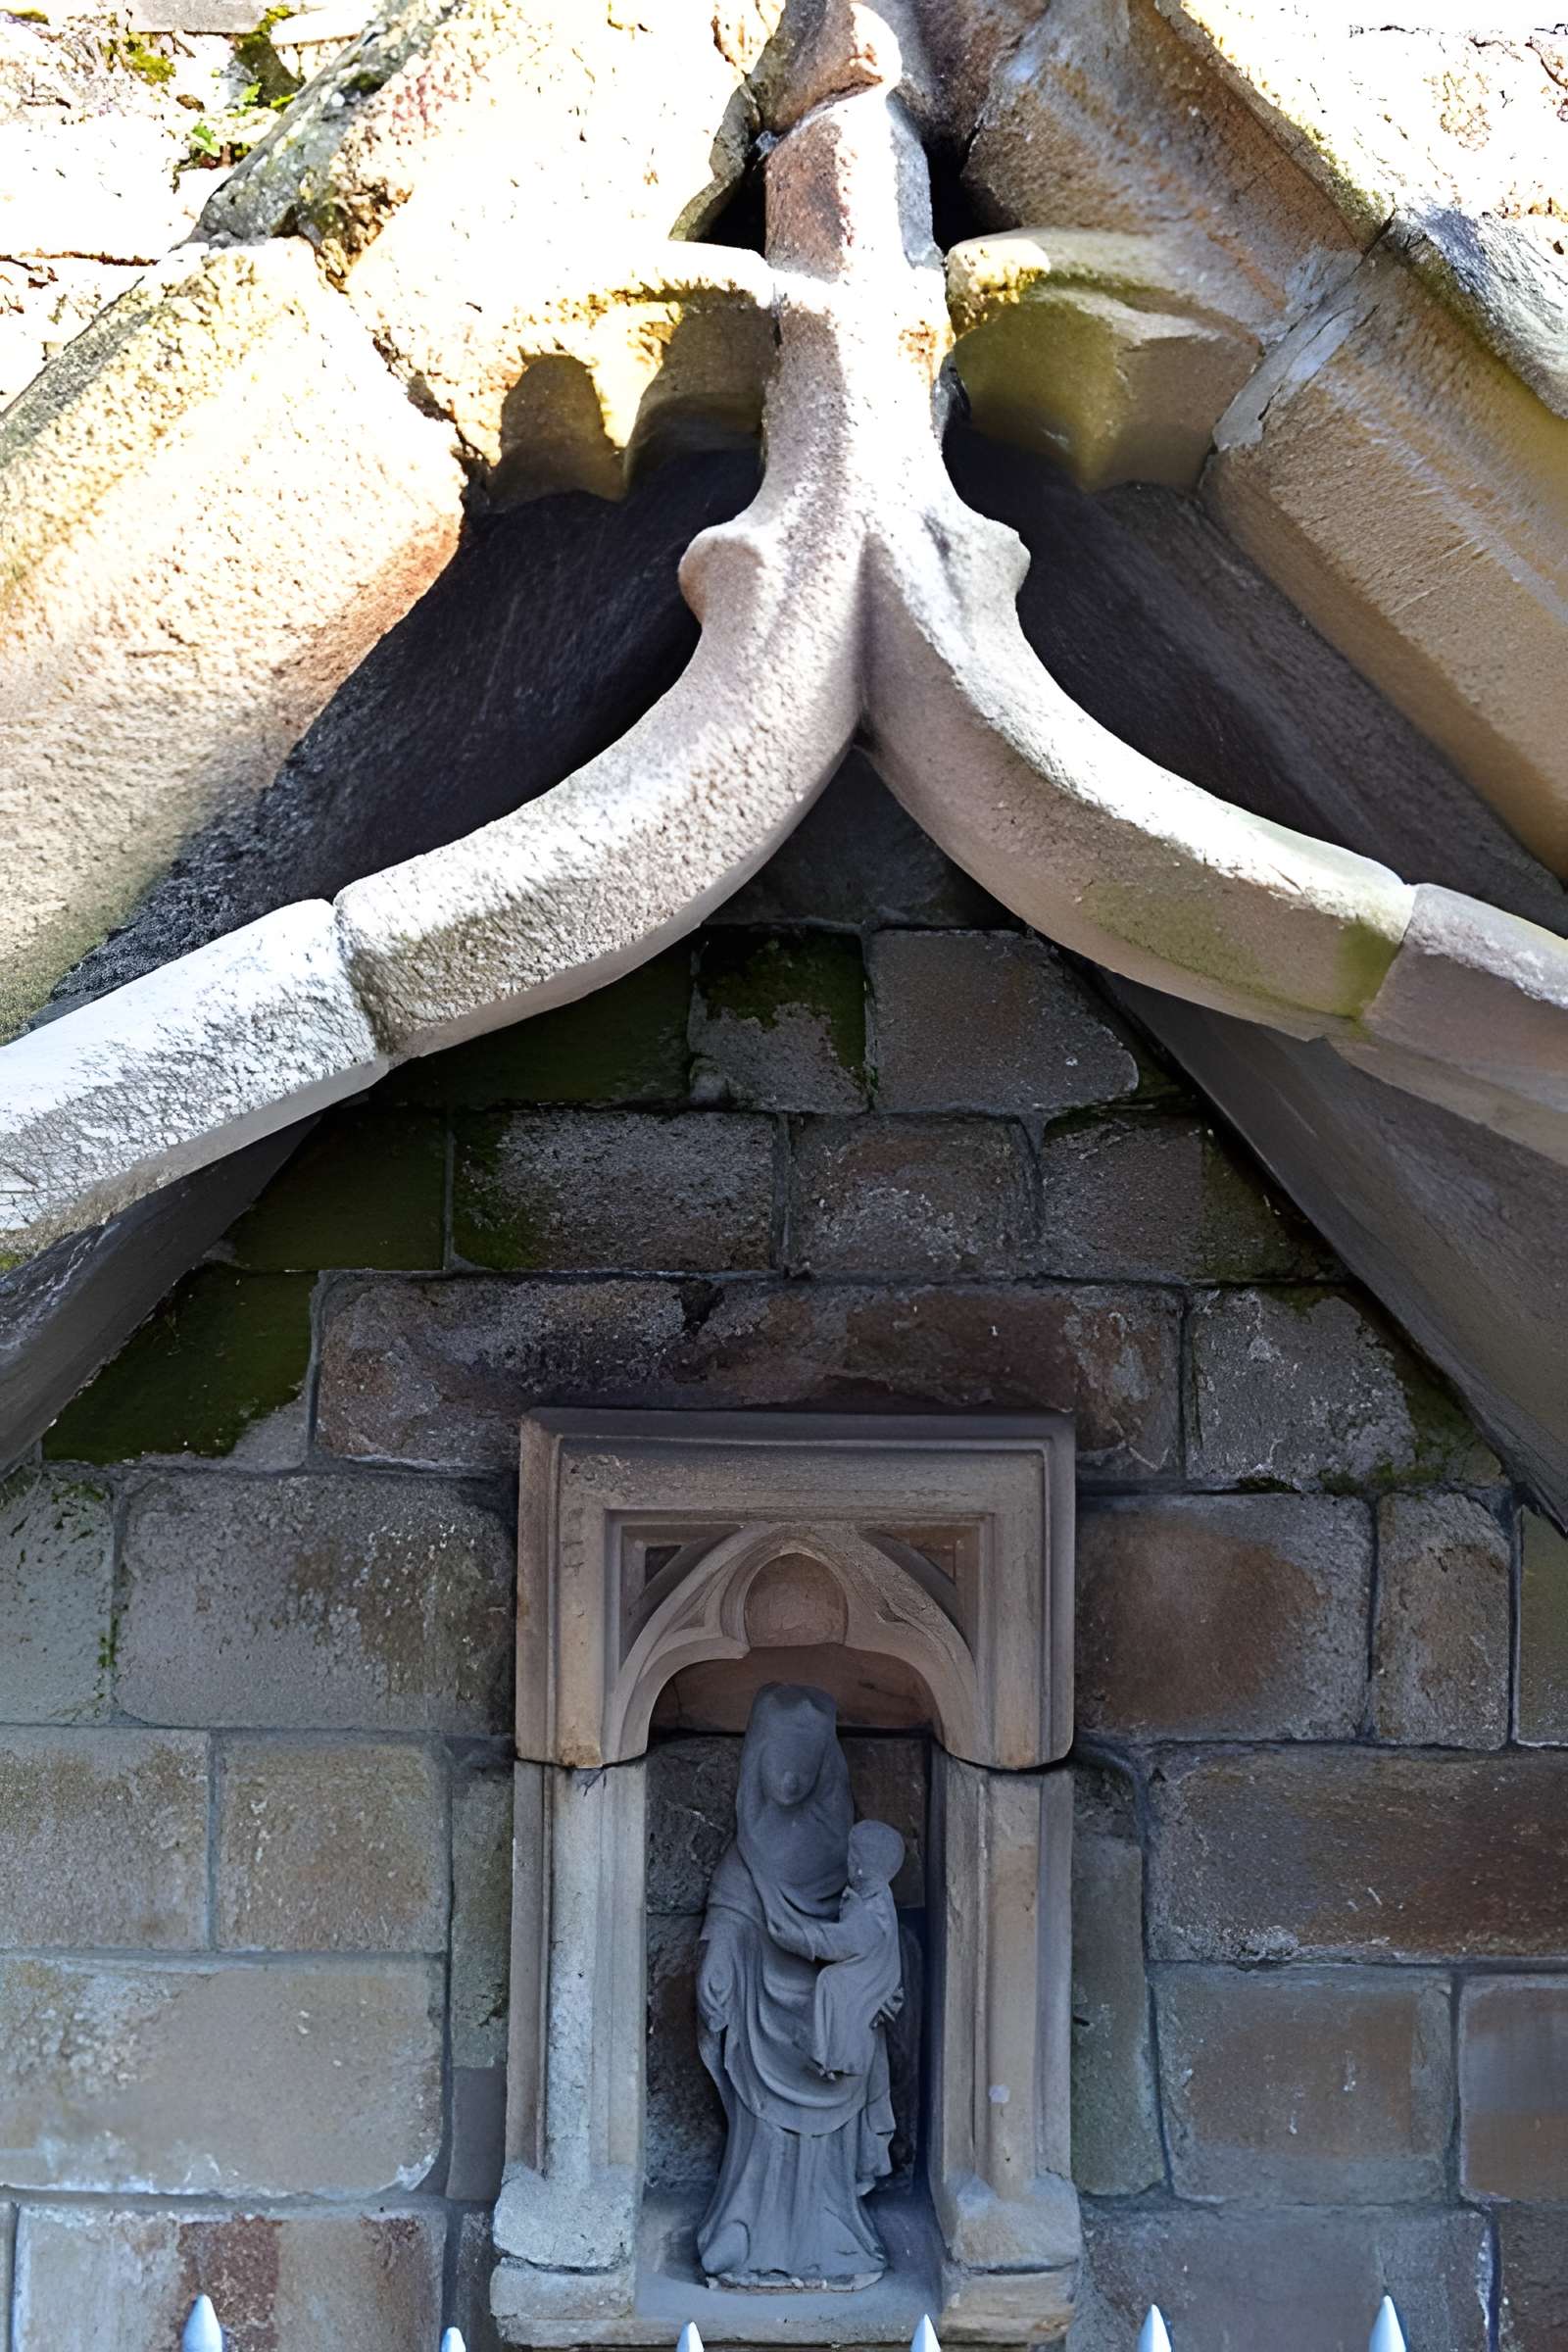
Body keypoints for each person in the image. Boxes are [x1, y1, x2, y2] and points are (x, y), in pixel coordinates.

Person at [695, 1684, 901, 2289]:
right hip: (764, 2013)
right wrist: (717, 1963)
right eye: (778, 1757)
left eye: (803, 1760)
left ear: (824, 1765)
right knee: (762, 2132)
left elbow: (875, 1933)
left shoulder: (853, 1855)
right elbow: (730, 1916)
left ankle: (832, 2237)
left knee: (829, 2145)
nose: (789, 1774)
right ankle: (745, 2233)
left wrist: (879, 1986)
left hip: (831, 2025)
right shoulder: (748, 1851)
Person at [776, 1818, 905, 2082]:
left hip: (867, 1978)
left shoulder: (871, 1907)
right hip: (871, 1973)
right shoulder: (876, 1898)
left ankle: (838, 2058)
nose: (848, 1863)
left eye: (851, 1857)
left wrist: (800, 1938)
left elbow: (843, 1942)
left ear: (860, 1864)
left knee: (833, 1985)